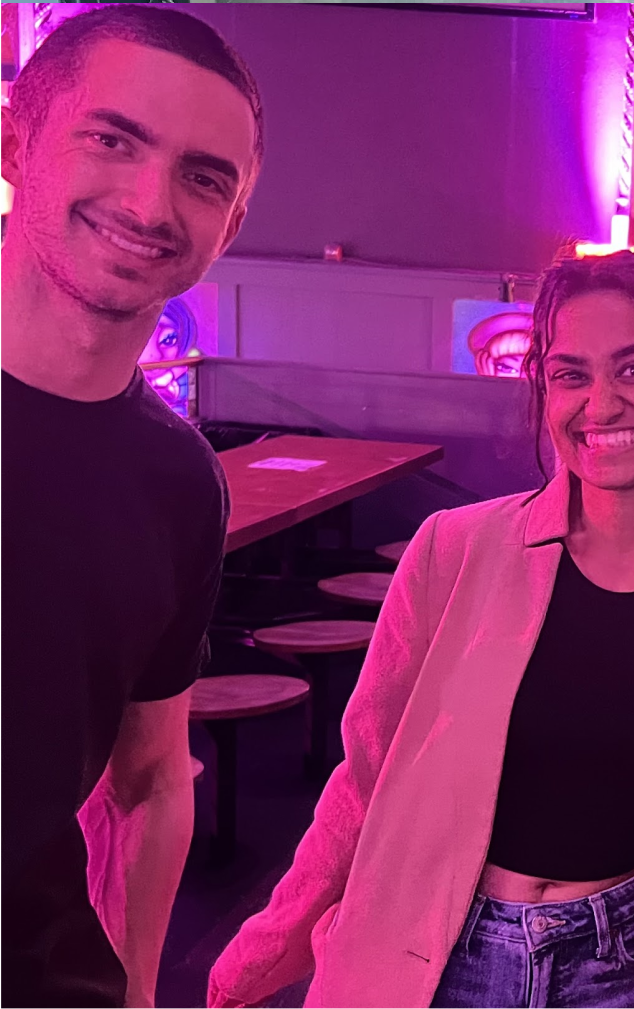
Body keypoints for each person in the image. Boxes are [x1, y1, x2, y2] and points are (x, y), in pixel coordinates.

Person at [209, 251, 634, 1009]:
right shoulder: (451, 551)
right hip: (433, 948)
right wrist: (266, 946)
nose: (601, 403)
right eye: (570, 374)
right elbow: (364, 777)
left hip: (632, 967)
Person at [0, 7, 262, 1009]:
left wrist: (140, 983)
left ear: (231, 224)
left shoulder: (179, 480)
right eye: (113, 140)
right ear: (17, 138)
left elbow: (150, 778)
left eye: (204, 177)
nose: (152, 203)